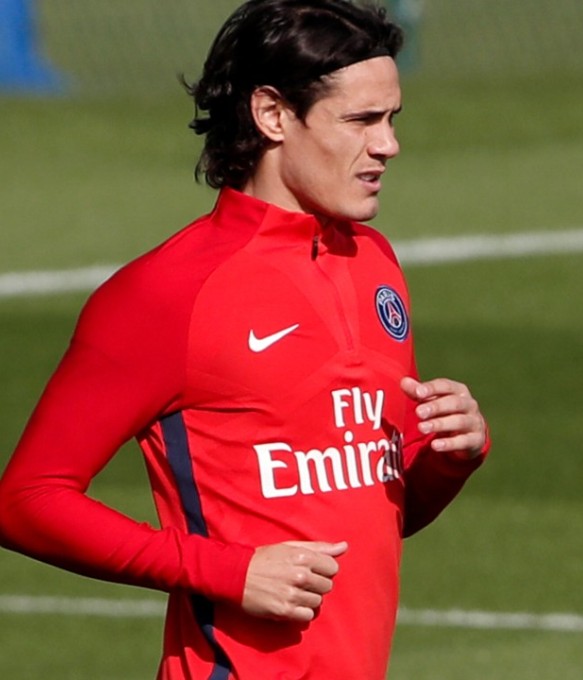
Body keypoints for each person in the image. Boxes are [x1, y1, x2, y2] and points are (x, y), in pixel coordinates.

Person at [0, 1, 489, 678]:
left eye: (391, 119)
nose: (388, 145)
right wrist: (227, 570)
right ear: (272, 116)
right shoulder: (168, 293)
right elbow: (27, 501)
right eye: (361, 121)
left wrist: (449, 459)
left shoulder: (374, 262)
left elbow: (375, 515)